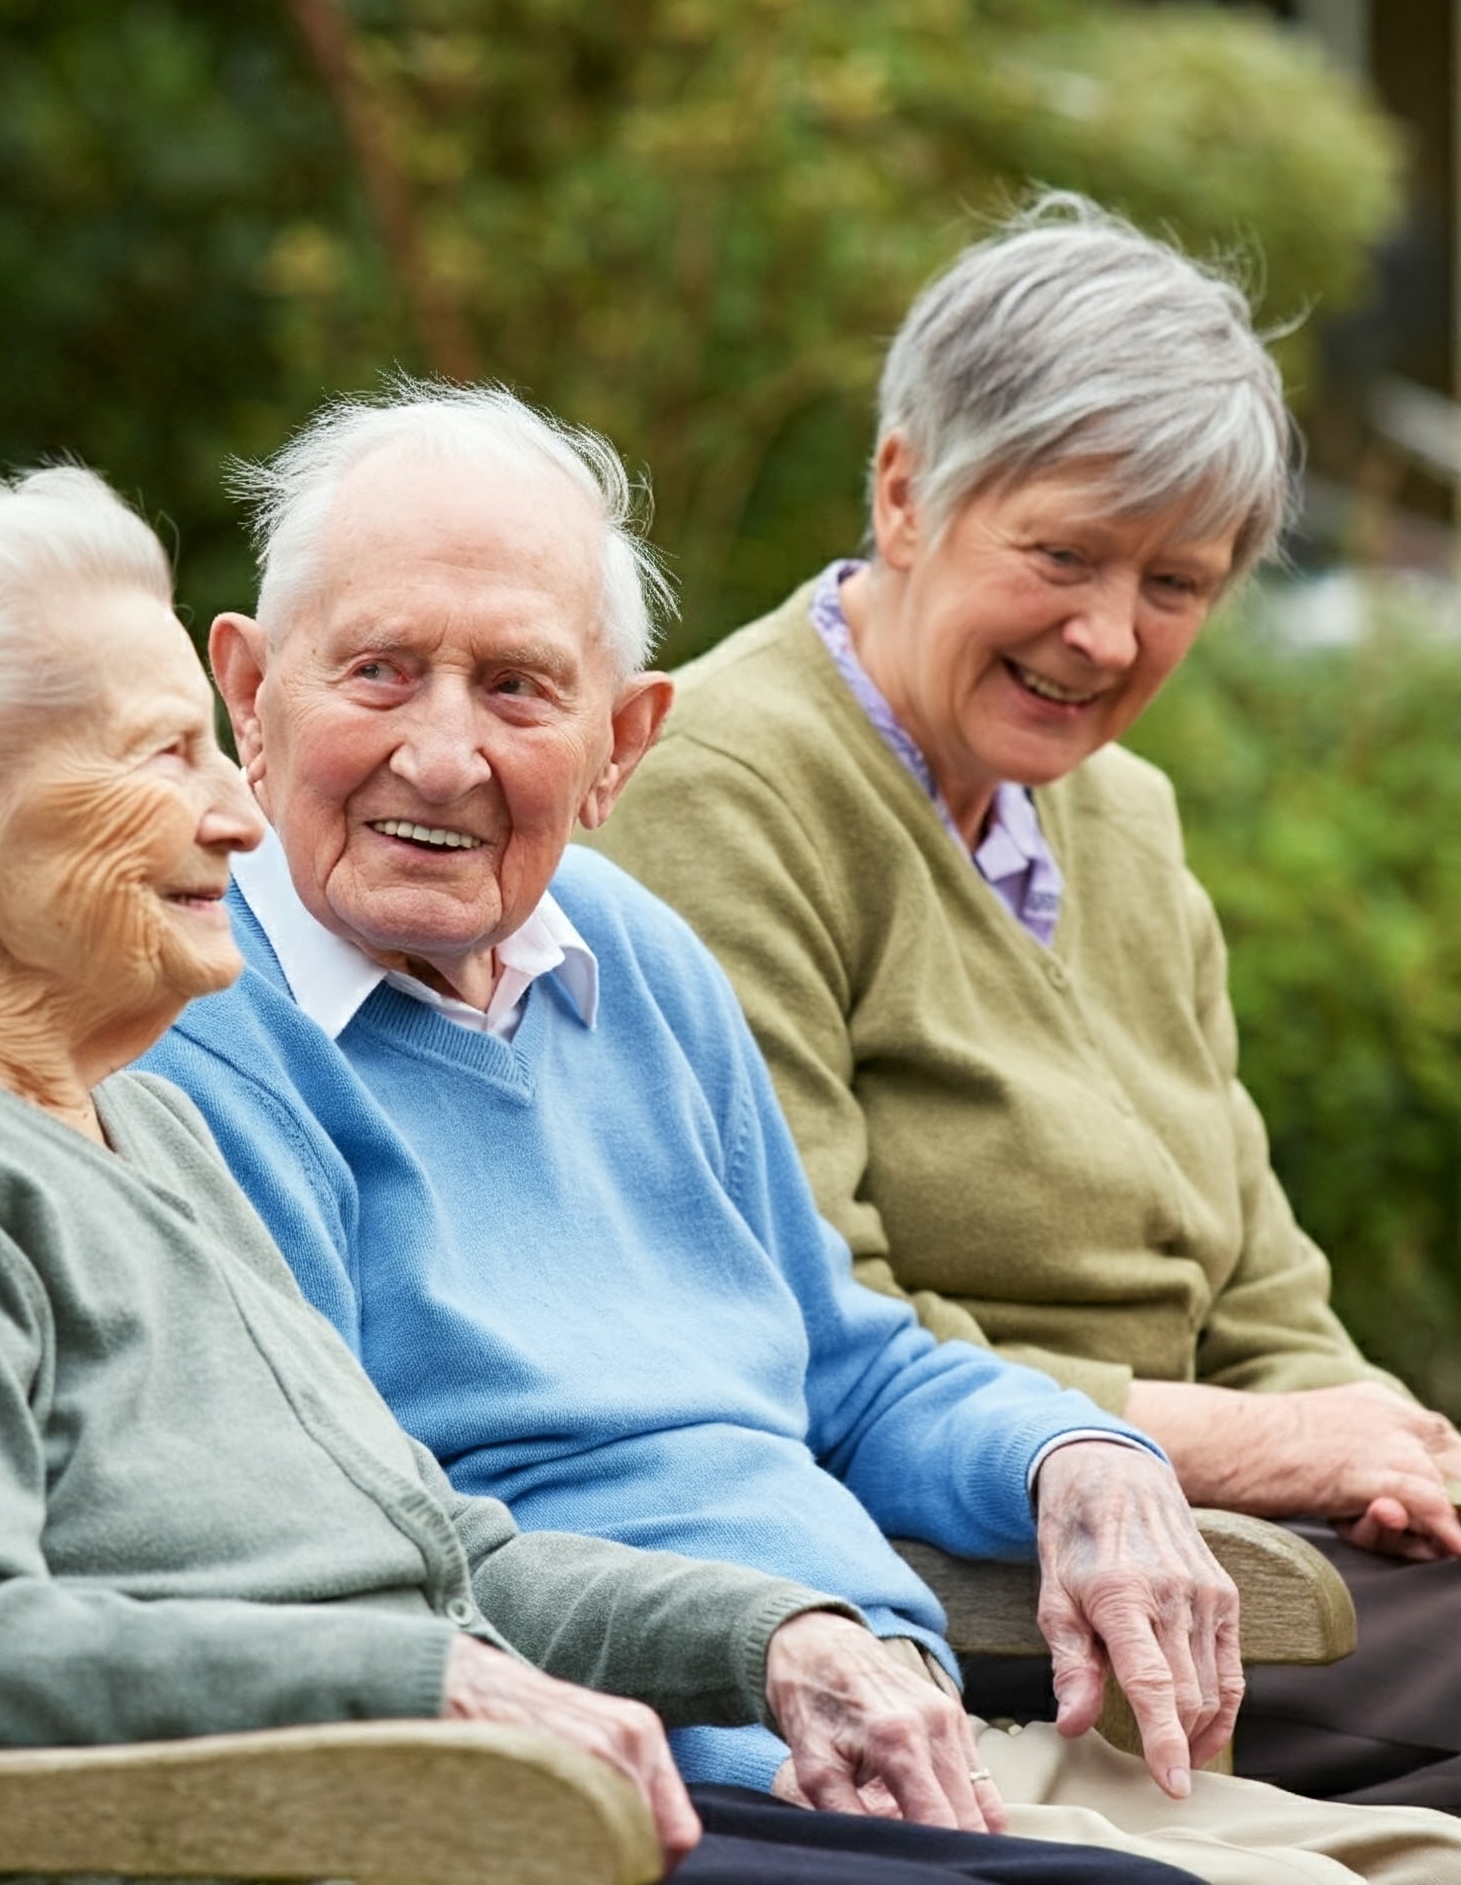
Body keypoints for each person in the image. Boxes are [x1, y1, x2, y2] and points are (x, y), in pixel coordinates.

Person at [0, 466, 1205, 1885]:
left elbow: (440, 1549)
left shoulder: (115, 1112)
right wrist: (425, 1686)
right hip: (259, 1837)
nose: (240, 810)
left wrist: (777, 1638)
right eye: (171, 757)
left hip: (420, 1807)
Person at [143, 376, 1461, 1882]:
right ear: (246, 691)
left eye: (518, 689)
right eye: (379, 672)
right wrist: (772, 1646)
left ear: (621, 743)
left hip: (913, 1731)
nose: (445, 757)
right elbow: (344, 1544)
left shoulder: (625, 956)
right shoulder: (195, 1025)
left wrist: (1074, 1457)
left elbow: (846, 1365)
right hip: (626, 1786)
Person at [590, 195, 1461, 1814]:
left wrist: (1388, 1458)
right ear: (907, 492)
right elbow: (793, 1344)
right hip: (985, 1577)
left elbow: (1267, 1291)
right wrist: (1263, 1455)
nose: (1107, 635)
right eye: (1061, 555)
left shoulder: (1119, 816)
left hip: (1232, 1566)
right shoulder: (719, 792)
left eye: (1178, 584)